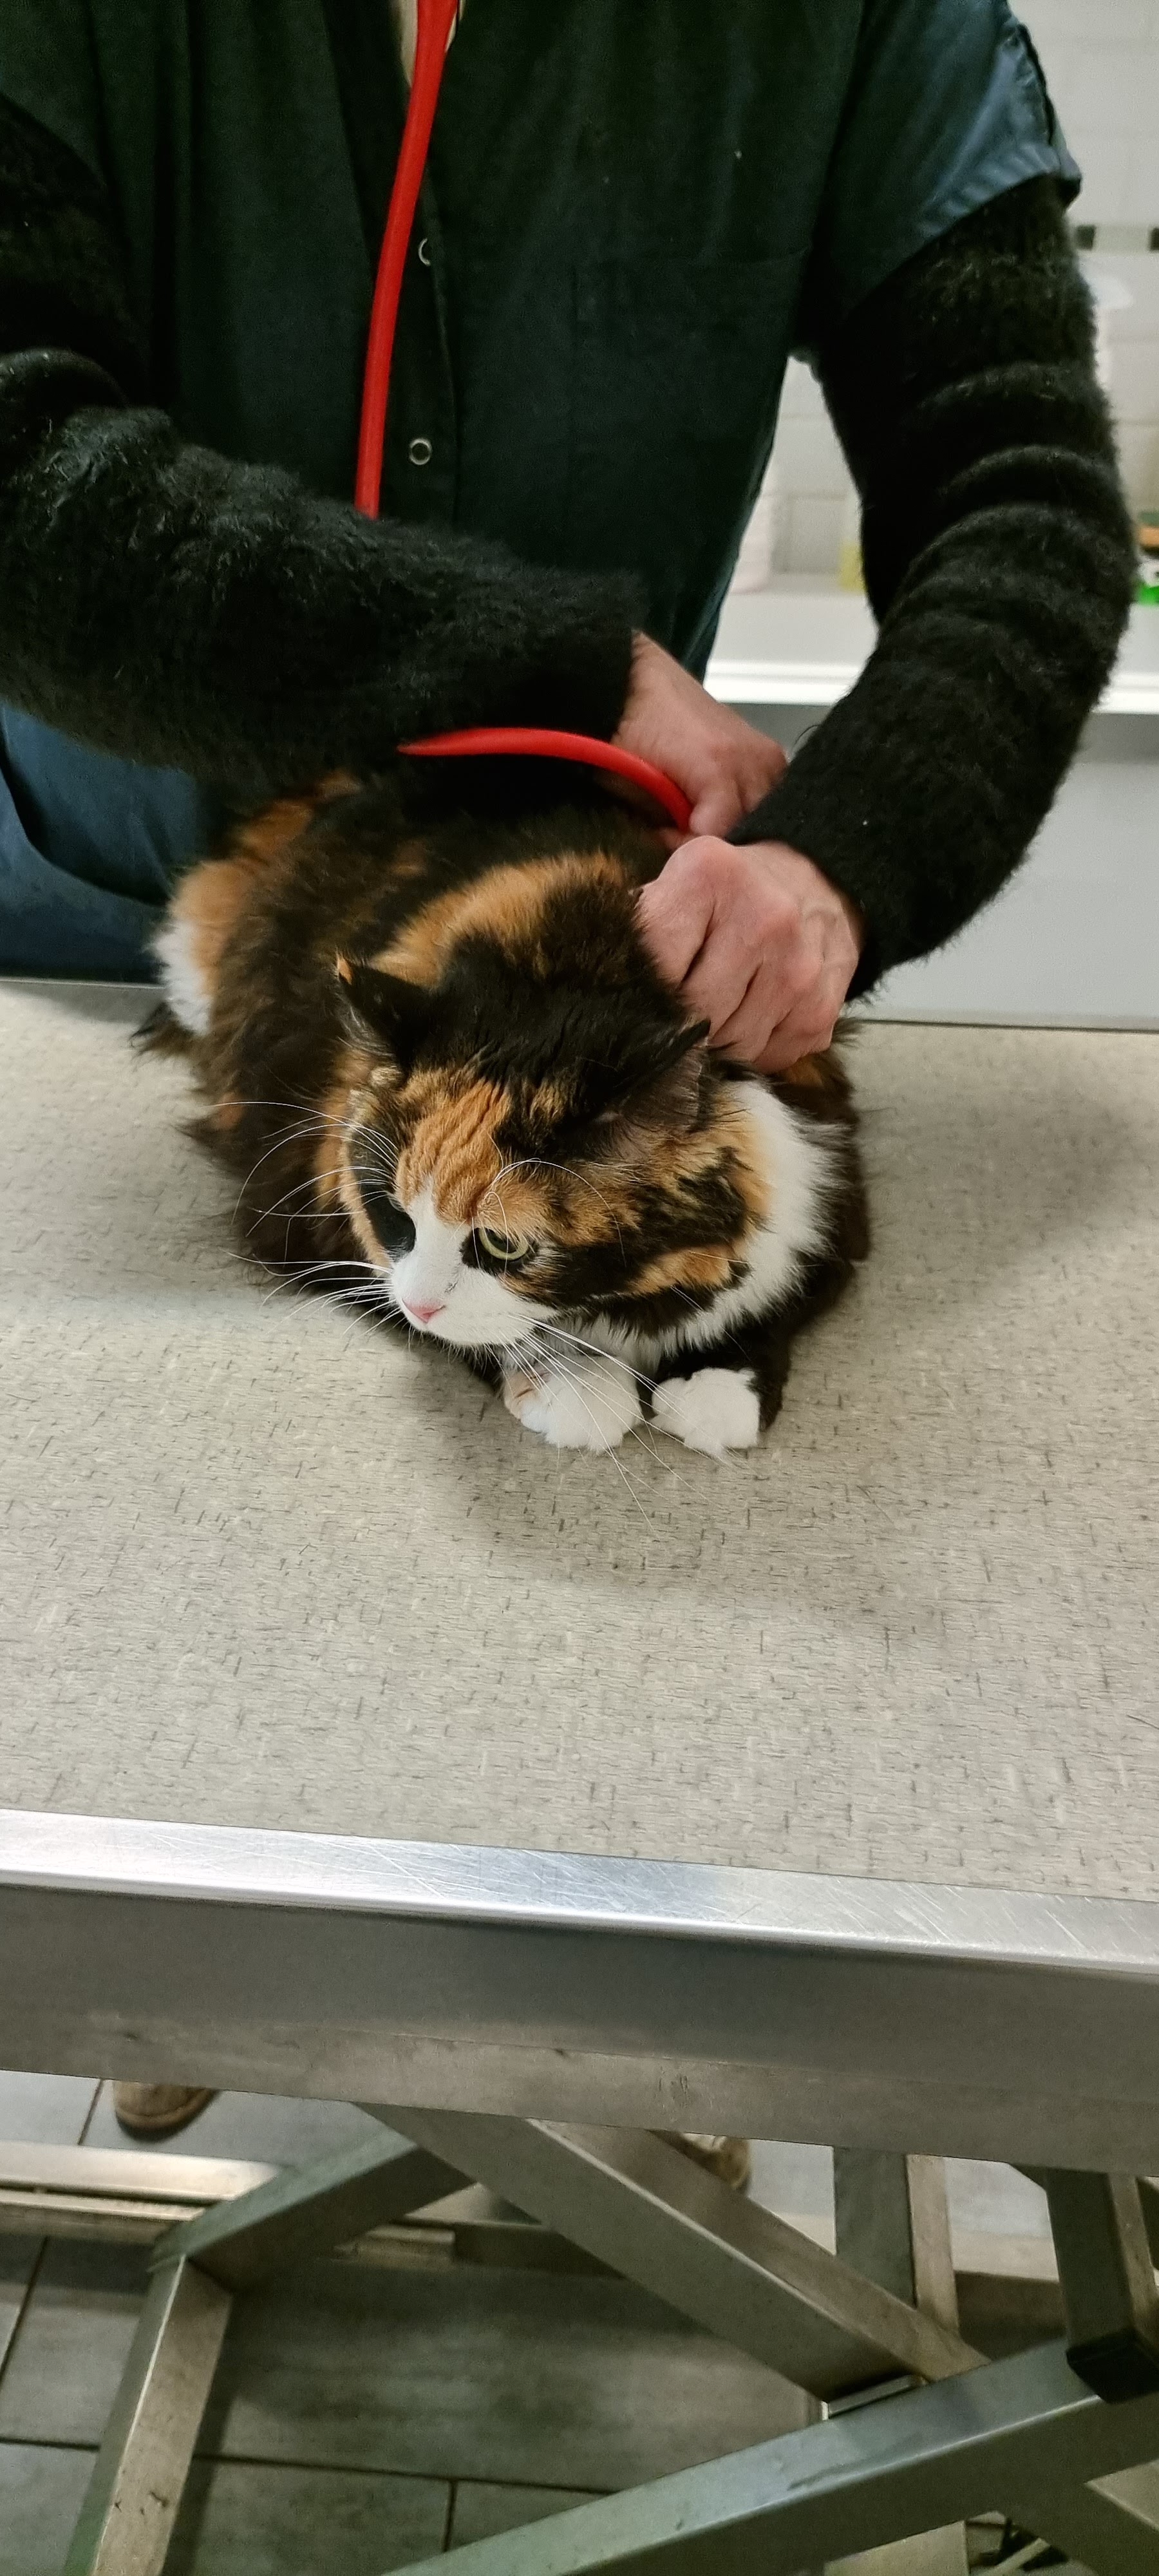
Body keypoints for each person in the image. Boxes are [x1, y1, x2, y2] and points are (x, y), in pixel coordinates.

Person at [0, 3, 1134, 2143]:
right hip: (109, 931)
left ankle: (649, 1968)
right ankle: (200, 1941)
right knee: (173, 1622)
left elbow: (1022, 493)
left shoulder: (869, 28)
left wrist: (847, 857)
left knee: (609, 1580)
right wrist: (546, 657)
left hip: (565, 986)